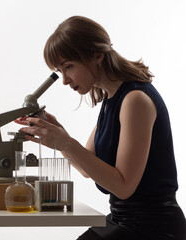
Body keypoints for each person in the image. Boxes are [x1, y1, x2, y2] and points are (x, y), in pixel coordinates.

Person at [16, 16, 186, 240]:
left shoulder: (135, 99)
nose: (65, 80)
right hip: (123, 220)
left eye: (69, 67)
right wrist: (58, 136)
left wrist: (65, 142)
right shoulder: (111, 99)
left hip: (153, 227)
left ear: (97, 56)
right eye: (60, 70)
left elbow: (124, 187)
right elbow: (88, 168)